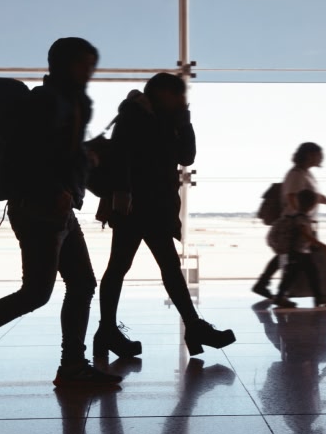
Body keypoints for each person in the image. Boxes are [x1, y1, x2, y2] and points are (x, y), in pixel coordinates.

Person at [0, 37, 121, 390]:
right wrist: (57, 188)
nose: (90, 71)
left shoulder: (63, 102)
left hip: (58, 208)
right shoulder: (47, 103)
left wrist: (88, 165)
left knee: (81, 284)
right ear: (64, 65)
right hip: (41, 208)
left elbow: (60, 156)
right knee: (36, 292)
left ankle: (73, 366)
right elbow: (28, 156)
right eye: (84, 64)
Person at [91, 73, 234, 358]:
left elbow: (187, 156)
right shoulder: (134, 114)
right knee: (133, 267)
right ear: (161, 93)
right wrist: (121, 196)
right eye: (178, 94)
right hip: (135, 205)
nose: (183, 99)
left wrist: (185, 121)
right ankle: (191, 328)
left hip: (153, 204)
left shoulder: (166, 119)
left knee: (131, 267)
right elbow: (122, 156)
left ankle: (109, 331)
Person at [253, 142, 326, 300]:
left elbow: (313, 196)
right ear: (309, 155)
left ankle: (266, 285)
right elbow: (292, 196)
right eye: (319, 154)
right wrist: (301, 216)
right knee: (302, 258)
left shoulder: (305, 174)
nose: (321, 158)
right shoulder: (296, 174)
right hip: (297, 224)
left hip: (303, 222)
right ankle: (322, 290)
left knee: (297, 258)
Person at [268, 189, 326, 307]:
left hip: (300, 252)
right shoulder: (302, 219)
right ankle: (280, 297)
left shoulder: (299, 217)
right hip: (298, 253)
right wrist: (321, 245)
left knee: (310, 273)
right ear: (312, 204)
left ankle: (319, 297)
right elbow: (305, 234)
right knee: (292, 276)